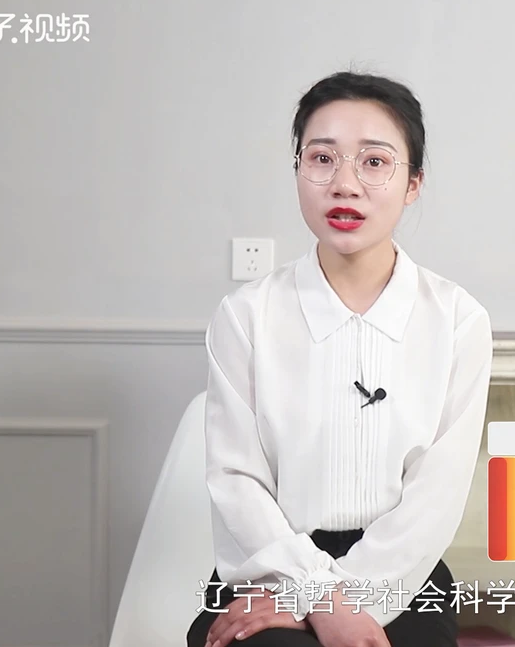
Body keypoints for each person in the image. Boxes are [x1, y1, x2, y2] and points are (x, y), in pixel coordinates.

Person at [185, 71, 494, 647]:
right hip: (268, 571)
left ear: (413, 183)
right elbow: (236, 479)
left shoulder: (458, 321)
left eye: (375, 162)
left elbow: (438, 494)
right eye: (322, 158)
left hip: (405, 579)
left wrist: (344, 599)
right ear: (298, 170)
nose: (344, 184)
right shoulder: (246, 315)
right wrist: (316, 594)